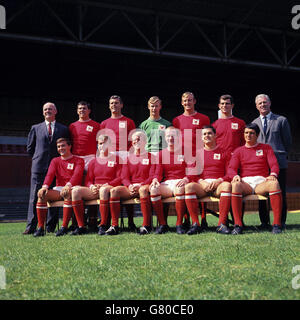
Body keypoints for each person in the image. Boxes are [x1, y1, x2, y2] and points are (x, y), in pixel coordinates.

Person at [227, 123, 283, 234]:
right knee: (235, 185)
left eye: (252, 133)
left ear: (257, 135)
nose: (248, 135)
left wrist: (273, 174)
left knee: (274, 184)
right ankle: (238, 225)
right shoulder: (238, 151)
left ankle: (276, 225)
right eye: (246, 133)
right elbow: (231, 168)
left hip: (261, 182)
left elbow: (274, 165)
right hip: (246, 182)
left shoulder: (266, 148)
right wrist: (235, 175)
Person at [24, 102, 69, 235]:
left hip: (57, 168)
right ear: (43, 112)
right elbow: (30, 148)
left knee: (54, 195)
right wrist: (39, 158)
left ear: (55, 111)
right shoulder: (35, 128)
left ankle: (50, 226)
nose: (47, 111)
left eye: (50, 109)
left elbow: (65, 148)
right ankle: (31, 226)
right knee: (34, 196)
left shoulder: (63, 129)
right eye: (45, 109)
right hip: (39, 168)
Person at [252, 94, 292, 228]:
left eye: (264, 102)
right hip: (261, 165)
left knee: (280, 192)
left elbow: (287, 142)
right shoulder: (254, 123)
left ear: (269, 103)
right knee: (262, 195)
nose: (262, 105)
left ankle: (280, 222)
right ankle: (264, 222)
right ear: (256, 106)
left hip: (279, 163)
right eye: (260, 103)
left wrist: (278, 154)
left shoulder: (281, 120)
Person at [71, 134, 122, 236]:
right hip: (95, 189)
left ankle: (103, 225)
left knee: (103, 190)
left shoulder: (117, 159)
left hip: (109, 188)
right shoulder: (93, 161)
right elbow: (88, 180)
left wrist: (107, 184)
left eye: (104, 143)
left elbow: (120, 178)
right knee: (75, 192)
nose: (101, 146)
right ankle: (81, 226)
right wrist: (92, 186)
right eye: (99, 144)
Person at [184, 125, 232, 235]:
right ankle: (196, 224)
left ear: (215, 135)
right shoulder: (196, 153)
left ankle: (221, 224)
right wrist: (202, 181)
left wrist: (219, 180)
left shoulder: (225, 152)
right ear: (201, 138)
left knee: (227, 186)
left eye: (210, 133)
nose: (207, 136)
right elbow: (191, 173)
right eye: (204, 134)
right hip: (203, 185)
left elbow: (230, 172)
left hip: (218, 185)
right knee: (189, 187)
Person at [172, 91, 210, 227]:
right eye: (185, 101)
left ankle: (204, 216)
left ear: (194, 101)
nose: (187, 103)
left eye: (190, 100)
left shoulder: (204, 118)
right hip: (183, 158)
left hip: (200, 156)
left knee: (201, 184)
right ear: (182, 103)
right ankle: (187, 219)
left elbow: (207, 137)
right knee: (186, 185)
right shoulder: (177, 120)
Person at [34, 138, 85, 237]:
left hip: (73, 188)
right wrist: (44, 187)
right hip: (59, 189)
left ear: (69, 146)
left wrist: (68, 185)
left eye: (63, 145)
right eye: (58, 146)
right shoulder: (55, 161)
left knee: (67, 194)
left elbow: (77, 175)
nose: (61, 148)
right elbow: (50, 175)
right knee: (42, 195)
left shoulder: (79, 160)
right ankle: (40, 228)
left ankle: (64, 227)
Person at [108, 130, 156, 235]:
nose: (136, 142)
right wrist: (129, 186)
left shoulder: (151, 157)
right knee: (114, 191)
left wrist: (141, 185)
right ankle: (114, 226)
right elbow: (124, 177)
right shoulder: (128, 158)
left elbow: (152, 176)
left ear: (145, 141)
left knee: (143, 190)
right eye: (134, 140)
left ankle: (146, 226)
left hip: (144, 186)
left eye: (139, 139)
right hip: (131, 187)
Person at [100, 95, 136, 227]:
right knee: (112, 186)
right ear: (109, 106)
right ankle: (107, 221)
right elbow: (101, 142)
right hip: (110, 156)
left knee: (126, 184)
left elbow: (134, 141)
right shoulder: (104, 123)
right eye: (111, 103)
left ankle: (131, 220)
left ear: (121, 105)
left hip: (125, 154)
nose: (113, 105)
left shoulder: (129, 121)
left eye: (116, 103)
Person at [150, 126, 190, 234]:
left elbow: (192, 169)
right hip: (167, 183)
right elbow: (158, 172)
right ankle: (163, 224)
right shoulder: (161, 154)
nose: (170, 138)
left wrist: (187, 178)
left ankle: (179, 224)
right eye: (168, 136)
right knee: (153, 189)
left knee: (180, 189)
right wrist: (155, 179)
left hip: (181, 181)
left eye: (173, 136)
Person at [69, 101, 101, 231]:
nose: (82, 110)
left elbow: (100, 142)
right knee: (75, 188)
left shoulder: (96, 125)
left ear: (89, 111)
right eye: (79, 108)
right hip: (76, 159)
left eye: (84, 108)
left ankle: (93, 219)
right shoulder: (72, 126)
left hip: (91, 158)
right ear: (77, 111)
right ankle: (76, 221)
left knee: (91, 188)